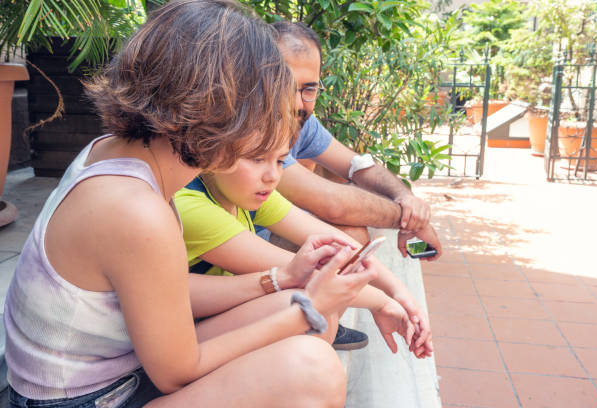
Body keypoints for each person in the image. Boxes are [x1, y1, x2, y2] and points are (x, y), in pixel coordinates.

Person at [2, 1, 377, 407]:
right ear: (225, 109)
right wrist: (309, 309)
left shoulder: (118, 154)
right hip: (81, 398)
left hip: (115, 366)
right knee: (312, 366)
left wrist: (283, 277)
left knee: (299, 315)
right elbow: (176, 375)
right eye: (269, 106)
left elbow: (162, 291)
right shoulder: (136, 209)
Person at [175, 140, 434, 358]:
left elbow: (336, 241)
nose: (272, 176)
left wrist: (399, 293)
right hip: (177, 339)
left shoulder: (241, 189)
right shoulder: (191, 206)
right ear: (212, 149)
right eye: (256, 159)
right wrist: (382, 302)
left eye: (279, 161)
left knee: (317, 311)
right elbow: (306, 273)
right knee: (311, 314)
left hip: (216, 315)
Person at [268, 21, 442, 257]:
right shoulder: (253, 130)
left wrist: (405, 197)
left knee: (350, 237)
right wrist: (411, 219)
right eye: (285, 87)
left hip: (262, 239)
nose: (298, 103)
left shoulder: (302, 122)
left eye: (309, 89)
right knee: (348, 238)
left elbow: (357, 165)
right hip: (231, 256)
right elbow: (332, 203)